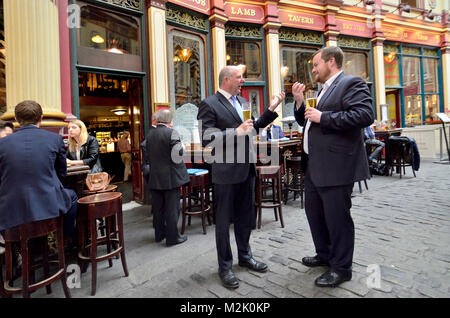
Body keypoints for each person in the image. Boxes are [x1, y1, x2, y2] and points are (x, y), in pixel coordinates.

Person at [292, 46, 374, 287]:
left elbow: (364, 115)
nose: (313, 69)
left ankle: (341, 268)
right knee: (315, 214)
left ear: (331, 62)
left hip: (337, 166)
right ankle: (325, 254)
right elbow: (308, 121)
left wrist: (323, 117)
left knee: (337, 219)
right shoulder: (322, 90)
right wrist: (299, 103)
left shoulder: (351, 83)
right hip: (315, 165)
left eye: (316, 64)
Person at [197, 65, 285, 289]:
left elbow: (253, 127)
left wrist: (272, 107)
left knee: (246, 217)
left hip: (246, 168)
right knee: (224, 222)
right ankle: (225, 267)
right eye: (239, 77)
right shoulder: (209, 104)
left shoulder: (243, 103)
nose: (242, 81)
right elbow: (207, 138)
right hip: (225, 172)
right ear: (226, 79)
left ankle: (245, 257)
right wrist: (234, 132)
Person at [0, 100, 78, 237]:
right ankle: (66, 238)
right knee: (72, 196)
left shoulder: (2, 143)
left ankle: (17, 249)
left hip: (11, 209)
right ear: (41, 118)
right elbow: (62, 172)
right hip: (48, 203)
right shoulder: (55, 139)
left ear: (16, 119)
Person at [145, 109, 189, 247]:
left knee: (158, 208)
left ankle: (159, 235)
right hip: (171, 177)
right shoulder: (171, 133)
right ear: (169, 120)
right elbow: (178, 154)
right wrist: (182, 146)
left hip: (155, 176)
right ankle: (172, 238)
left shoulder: (150, 134)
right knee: (172, 209)